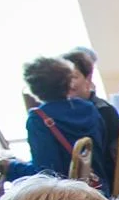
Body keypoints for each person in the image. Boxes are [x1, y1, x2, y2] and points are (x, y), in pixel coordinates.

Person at [21, 56, 107, 187]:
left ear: (33, 88)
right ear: (68, 82)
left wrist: (10, 166)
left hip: (66, 197)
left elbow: (45, 174)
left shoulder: (38, 119)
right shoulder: (89, 107)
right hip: (99, 187)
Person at [61, 48, 119, 189]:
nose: (68, 83)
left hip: (99, 187)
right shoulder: (70, 111)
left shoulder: (101, 111)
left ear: (88, 78)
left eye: (74, 77)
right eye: (63, 79)